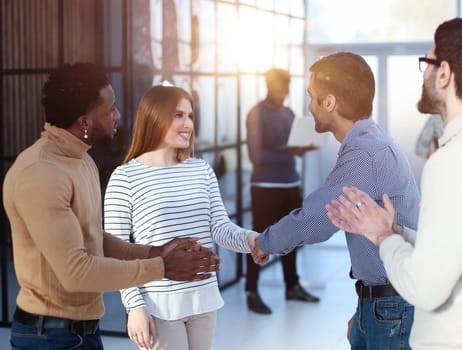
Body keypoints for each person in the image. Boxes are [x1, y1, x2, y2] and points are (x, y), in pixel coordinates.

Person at [326, 18, 462, 349]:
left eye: (426, 63)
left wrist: (384, 238)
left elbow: (423, 288)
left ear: (443, 74)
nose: (424, 73)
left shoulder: (455, 159)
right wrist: (395, 231)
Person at [2, 62, 220, 350]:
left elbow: (95, 239)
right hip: (49, 337)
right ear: (84, 122)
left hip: (83, 331)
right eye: (110, 109)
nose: (118, 115)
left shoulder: (82, 161)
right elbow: (76, 272)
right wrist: (160, 267)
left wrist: (155, 251)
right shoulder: (42, 173)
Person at [252, 53, 420, 349]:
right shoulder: (370, 141)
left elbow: (315, 220)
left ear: (329, 102)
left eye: (312, 98)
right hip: (379, 301)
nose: (308, 106)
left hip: (391, 304)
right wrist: (366, 310)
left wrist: (264, 242)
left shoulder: (365, 154)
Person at [104, 85, 263, 349]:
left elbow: (220, 228)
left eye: (190, 115)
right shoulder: (125, 178)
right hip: (158, 304)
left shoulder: (201, 170)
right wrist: (134, 307)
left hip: (204, 298)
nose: (187, 123)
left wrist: (251, 240)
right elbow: (117, 250)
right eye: (178, 115)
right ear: (154, 117)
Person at [245, 68, 319, 315]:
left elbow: (291, 146)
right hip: (265, 187)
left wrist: (302, 147)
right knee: (259, 239)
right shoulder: (256, 113)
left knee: (291, 237)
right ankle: (251, 291)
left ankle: (292, 285)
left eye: (287, 89)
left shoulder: (288, 113)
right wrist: (288, 152)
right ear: (269, 86)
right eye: (280, 88)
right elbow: (255, 156)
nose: (284, 94)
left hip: (290, 184)